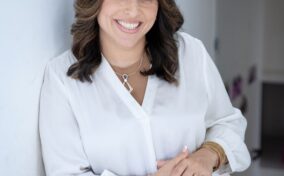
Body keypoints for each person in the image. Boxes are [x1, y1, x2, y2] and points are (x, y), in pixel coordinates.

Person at [39, 0, 251, 176]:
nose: (133, 10)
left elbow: (228, 122)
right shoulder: (61, 78)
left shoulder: (190, 53)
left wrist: (209, 155)